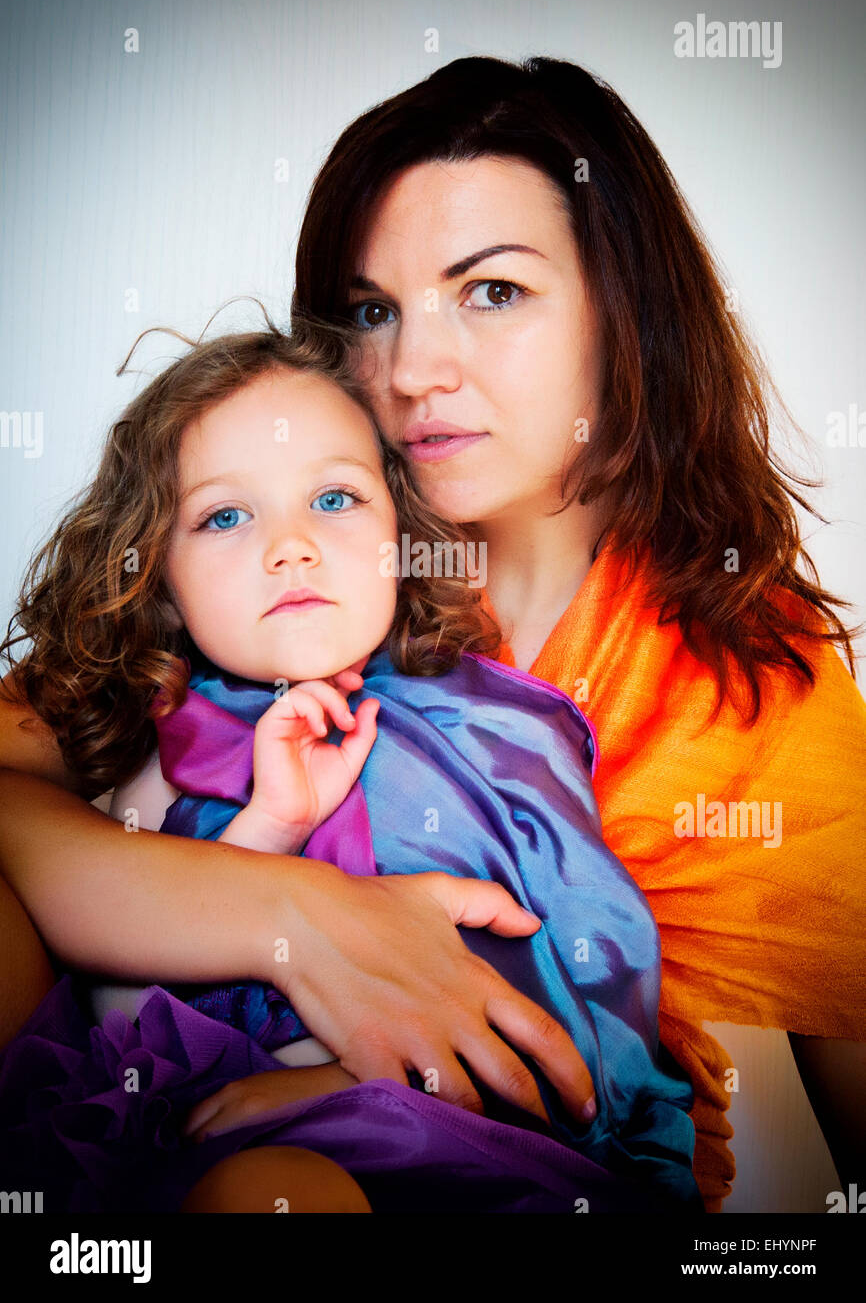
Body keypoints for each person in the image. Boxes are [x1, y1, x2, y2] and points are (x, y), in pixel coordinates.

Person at [1, 55, 864, 1212]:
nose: (411, 370)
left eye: (492, 291)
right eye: (370, 311)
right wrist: (299, 919)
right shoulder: (262, 591)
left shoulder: (746, 677)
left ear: (627, 311)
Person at [0, 319, 702, 1214]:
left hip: (458, 1141)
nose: (290, 545)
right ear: (162, 590)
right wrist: (269, 829)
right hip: (225, 1140)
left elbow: (577, 962)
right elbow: (122, 1023)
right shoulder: (161, 746)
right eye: (225, 516)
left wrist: (338, 1085)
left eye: (333, 501)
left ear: (402, 536)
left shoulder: (496, 728)